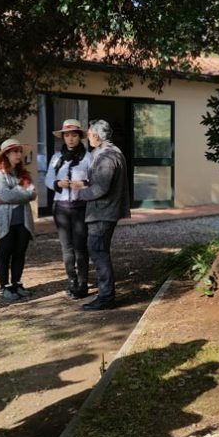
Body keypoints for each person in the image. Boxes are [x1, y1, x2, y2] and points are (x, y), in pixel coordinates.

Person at [71, 120, 130, 310]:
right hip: (105, 211)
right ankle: (105, 295)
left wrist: (81, 192)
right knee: (99, 251)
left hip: (102, 212)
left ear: (96, 135)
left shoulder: (107, 156)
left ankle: (106, 297)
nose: (87, 137)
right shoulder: (113, 153)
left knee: (98, 252)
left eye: (88, 134)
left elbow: (101, 188)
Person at [45, 119, 93, 299]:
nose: (70, 139)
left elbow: (95, 181)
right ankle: (72, 281)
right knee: (67, 247)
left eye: (74, 135)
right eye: (67, 135)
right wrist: (58, 183)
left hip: (81, 207)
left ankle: (83, 283)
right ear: (63, 137)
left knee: (81, 247)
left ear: (80, 137)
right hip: (61, 208)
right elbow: (48, 179)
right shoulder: (56, 158)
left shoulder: (88, 157)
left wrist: (83, 184)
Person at [0, 138, 37, 301]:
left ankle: (16, 283)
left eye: (20, 151)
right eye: (15, 151)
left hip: (22, 222)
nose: (19, 155)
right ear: (6, 154)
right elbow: (4, 194)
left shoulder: (23, 174)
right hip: (5, 222)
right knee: (4, 253)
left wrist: (13, 194)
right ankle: (4, 287)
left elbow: (32, 193)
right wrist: (20, 193)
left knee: (20, 252)